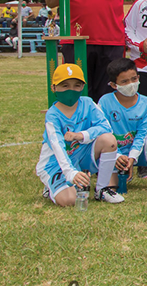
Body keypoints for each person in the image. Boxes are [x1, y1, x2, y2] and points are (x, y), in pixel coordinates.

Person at [37, 63, 120, 206]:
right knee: (69, 200)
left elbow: (106, 127)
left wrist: (81, 135)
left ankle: (102, 189)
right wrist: (70, 173)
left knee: (109, 140)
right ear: (54, 88)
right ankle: (51, 186)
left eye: (77, 85)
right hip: (56, 163)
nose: (71, 90)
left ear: (83, 87)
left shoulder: (88, 103)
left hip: (81, 155)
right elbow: (57, 147)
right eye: (65, 85)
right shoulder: (52, 115)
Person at [98, 58, 147, 186]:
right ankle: (117, 168)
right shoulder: (104, 102)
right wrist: (118, 156)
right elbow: (104, 131)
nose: (131, 84)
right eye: (124, 81)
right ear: (114, 85)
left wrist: (132, 157)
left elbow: (142, 133)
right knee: (112, 187)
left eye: (134, 79)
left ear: (138, 77)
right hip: (113, 152)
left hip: (139, 151)